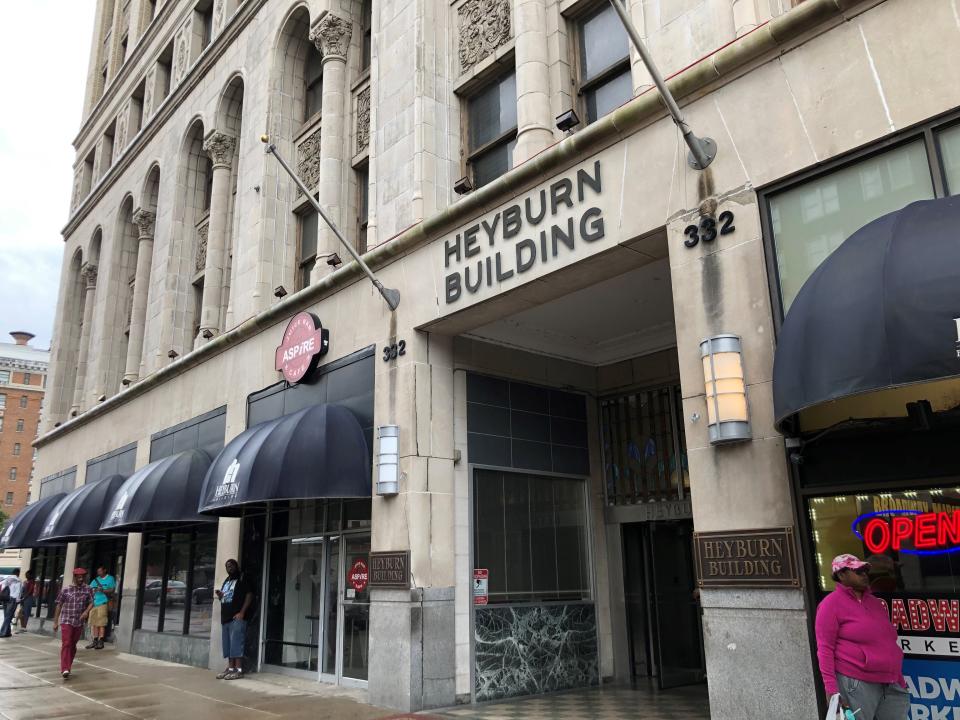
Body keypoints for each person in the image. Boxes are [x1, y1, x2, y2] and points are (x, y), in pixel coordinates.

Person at [815, 554, 909, 720]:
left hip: (891, 682)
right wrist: (831, 691)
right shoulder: (830, 604)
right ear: (841, 575)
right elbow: (824, 649)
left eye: (865, 570)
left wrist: (899, 678)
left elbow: (887, 642)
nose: (864, 574)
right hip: (856, 682)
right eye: (858, 571)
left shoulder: (875, 602)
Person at [214, 558, 253, 680]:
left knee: (236, 643)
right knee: (228, 645)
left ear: (236, 566)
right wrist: (221, 596)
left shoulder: (242, 578)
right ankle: (230, 669)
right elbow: (227, 597)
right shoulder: (227, 580)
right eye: (227, 566)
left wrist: (242, 612)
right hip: (225, 617)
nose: (229, 568)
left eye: (231, 566)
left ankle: (239, 670)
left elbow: (249, 594)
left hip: (237, 617)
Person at [53, 568, 95, 679]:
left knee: (72, 645)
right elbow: (59, 605)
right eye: (79, 577)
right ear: (74, 577)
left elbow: (92, 602)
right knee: (66, 643)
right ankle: (64, 668)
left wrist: (86, 612)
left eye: (83, 577)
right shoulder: (66, 590)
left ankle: (68, 666)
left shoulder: (88, 589)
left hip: (79, 621)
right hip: (66, 620)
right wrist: (55, 621)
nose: (81, 579)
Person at [86, 565, 116, 649]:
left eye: (100, 571)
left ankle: (101, 641)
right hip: (94, 603)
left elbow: (112, 590)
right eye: (98, 571)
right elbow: (89, 588)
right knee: (94, 623)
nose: (99, 573)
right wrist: (93, 590)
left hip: (103, 603)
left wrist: (102, 590)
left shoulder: (110, 579)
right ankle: (95, 640)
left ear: (104, 570)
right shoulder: (96, 580)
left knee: (101, 623)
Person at [0, 569, 23, 638]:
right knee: (9, 616)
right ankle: (2, 632)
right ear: (18, 573)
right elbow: (18, 592)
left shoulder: (6, 578)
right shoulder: (18, 580)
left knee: (6, 616)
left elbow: (2, 586)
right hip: (13, 599)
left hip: (5, 598)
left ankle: (7, 632)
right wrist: (18, 600)